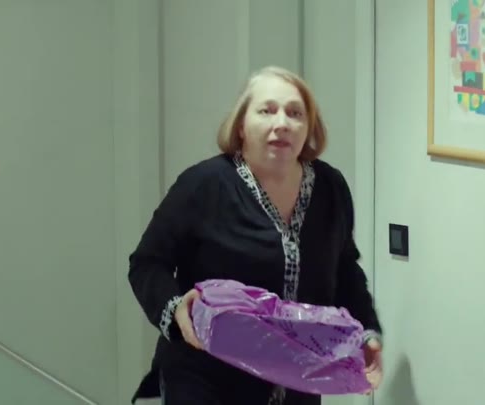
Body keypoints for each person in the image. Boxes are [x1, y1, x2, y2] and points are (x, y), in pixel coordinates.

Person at [128, 66, 383, 405]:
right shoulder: (204, 185)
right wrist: (175, 309)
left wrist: (367, 332)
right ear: (241, 126)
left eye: (295, 113)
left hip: (300, 381)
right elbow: (147, 263)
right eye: (267, 110)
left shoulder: (330, 187)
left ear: (308, 128)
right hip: (207, 379)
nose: (282, 123)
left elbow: (345, 269)